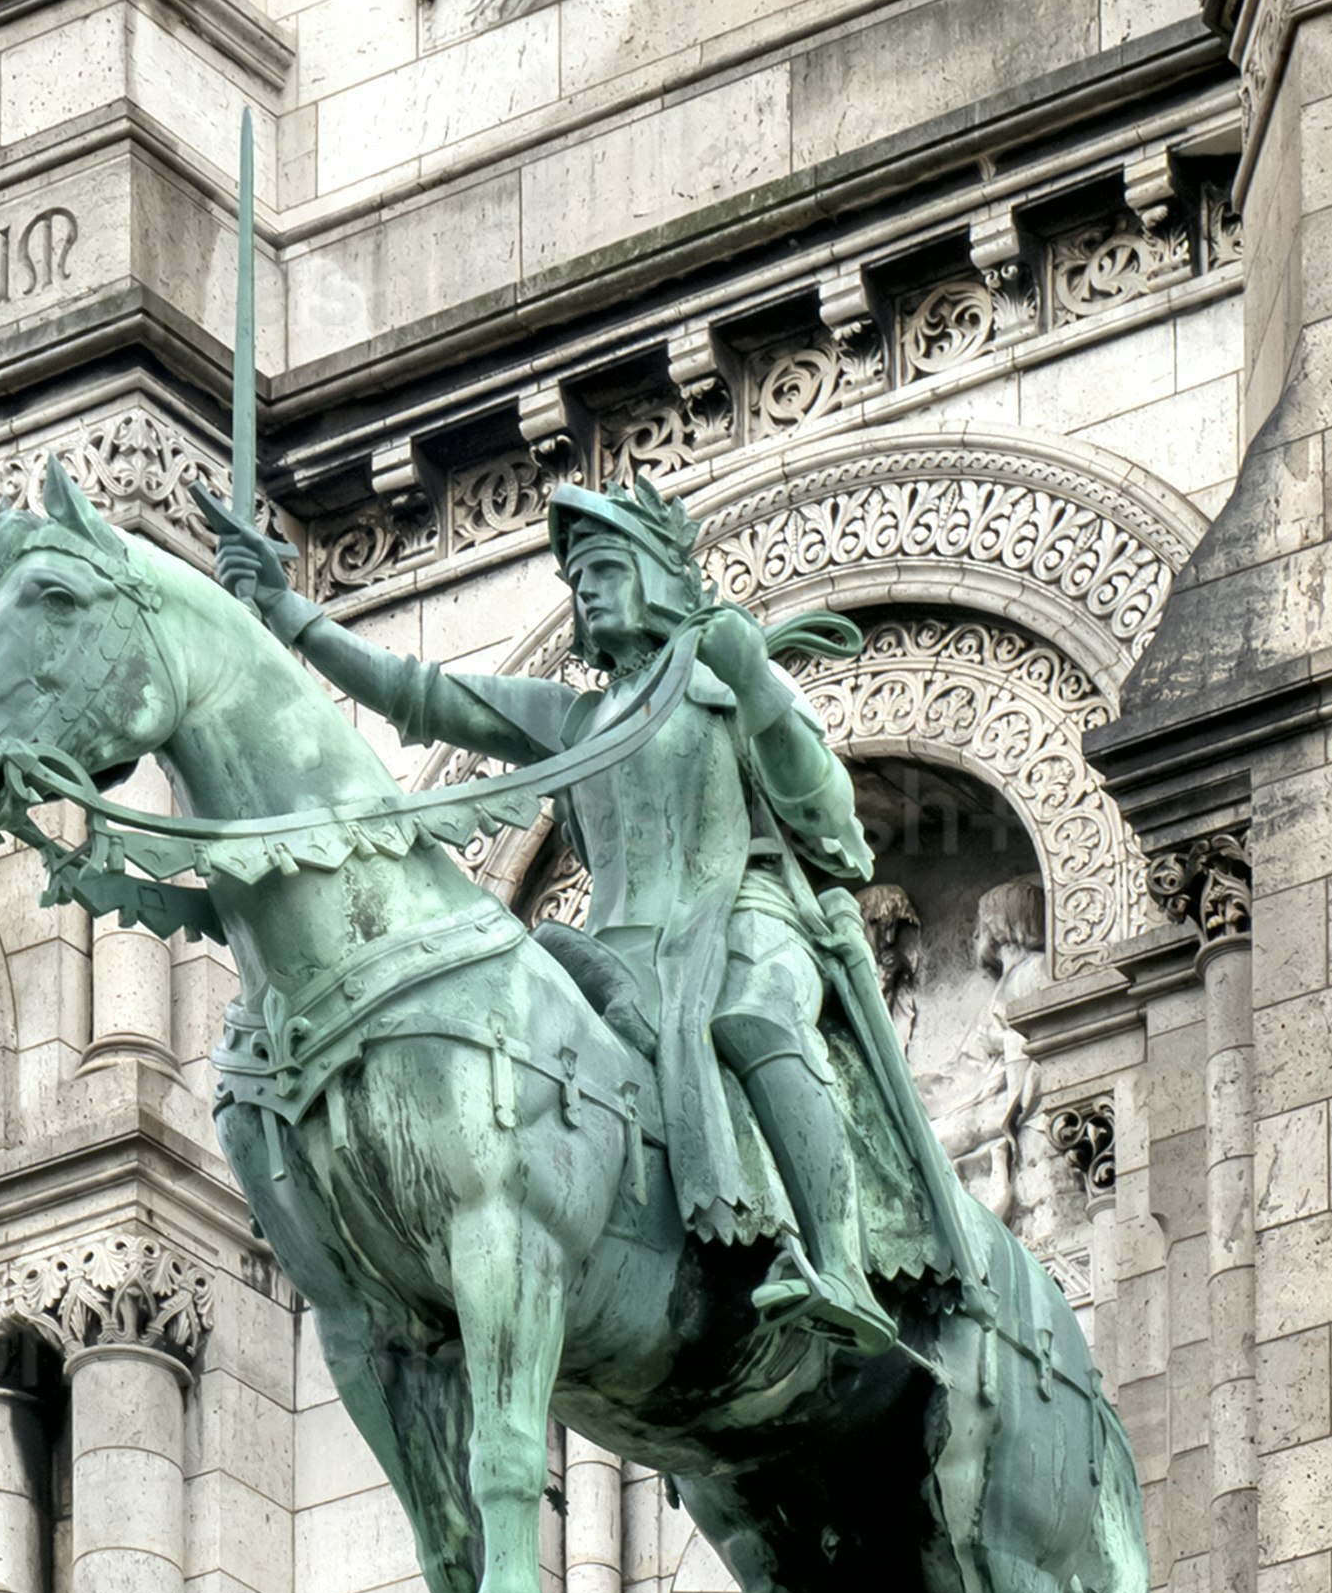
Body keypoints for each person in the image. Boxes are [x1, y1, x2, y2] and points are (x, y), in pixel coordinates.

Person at [210, 467, 905, 1325]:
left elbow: (830, 819)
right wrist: (290, 614)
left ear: (655, 576)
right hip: (618, 948)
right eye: (577, 582)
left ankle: (844, 1272)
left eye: (605, 570)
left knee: (752, 1013)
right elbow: (418, 693)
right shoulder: (575, 719)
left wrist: (757, 682)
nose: (588, 593)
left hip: (742, 916)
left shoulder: (727, 686)